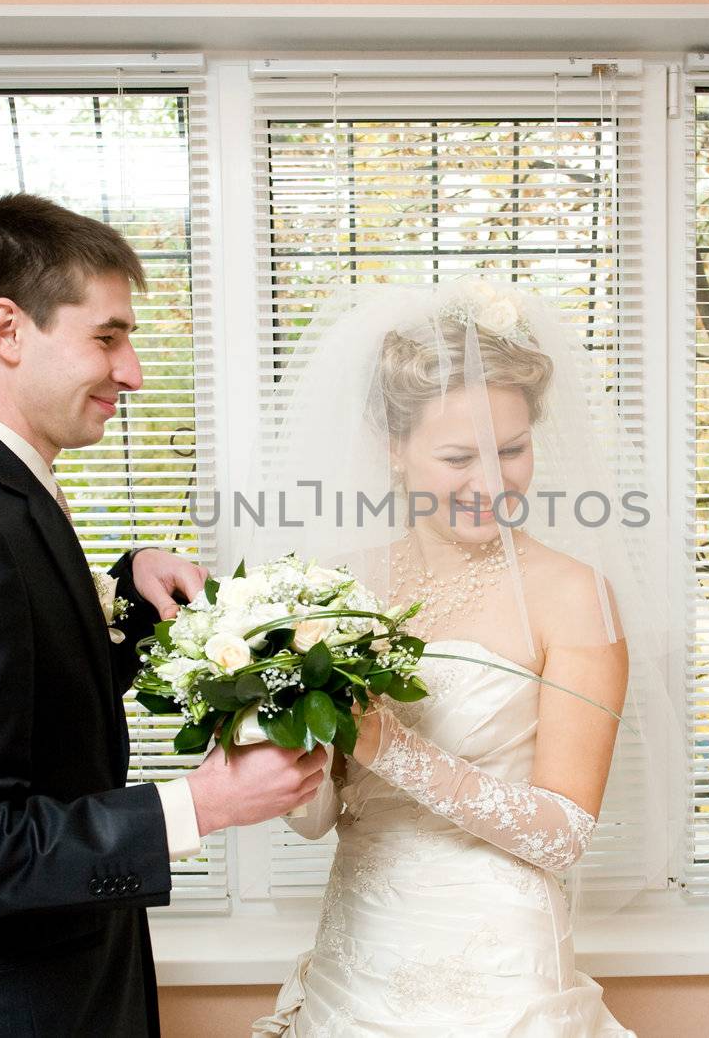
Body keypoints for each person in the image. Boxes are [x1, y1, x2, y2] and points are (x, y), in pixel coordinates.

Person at [0, 193, 327, 1036]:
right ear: (7, 330)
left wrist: (128, 588)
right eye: (107, 337)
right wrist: (201, 803)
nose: (133, 371)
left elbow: (27, 702)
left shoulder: (1, 492)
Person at [244, 279, 683, 1035]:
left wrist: (389, 743)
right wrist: (270, 720)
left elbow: (564, 832)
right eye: (458, 456)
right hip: (360, 952)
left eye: (511, 449)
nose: (492, 482)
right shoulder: (341, 587)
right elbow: (317, 817)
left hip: (501, 970)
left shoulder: (578, 595)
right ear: (395, 452)